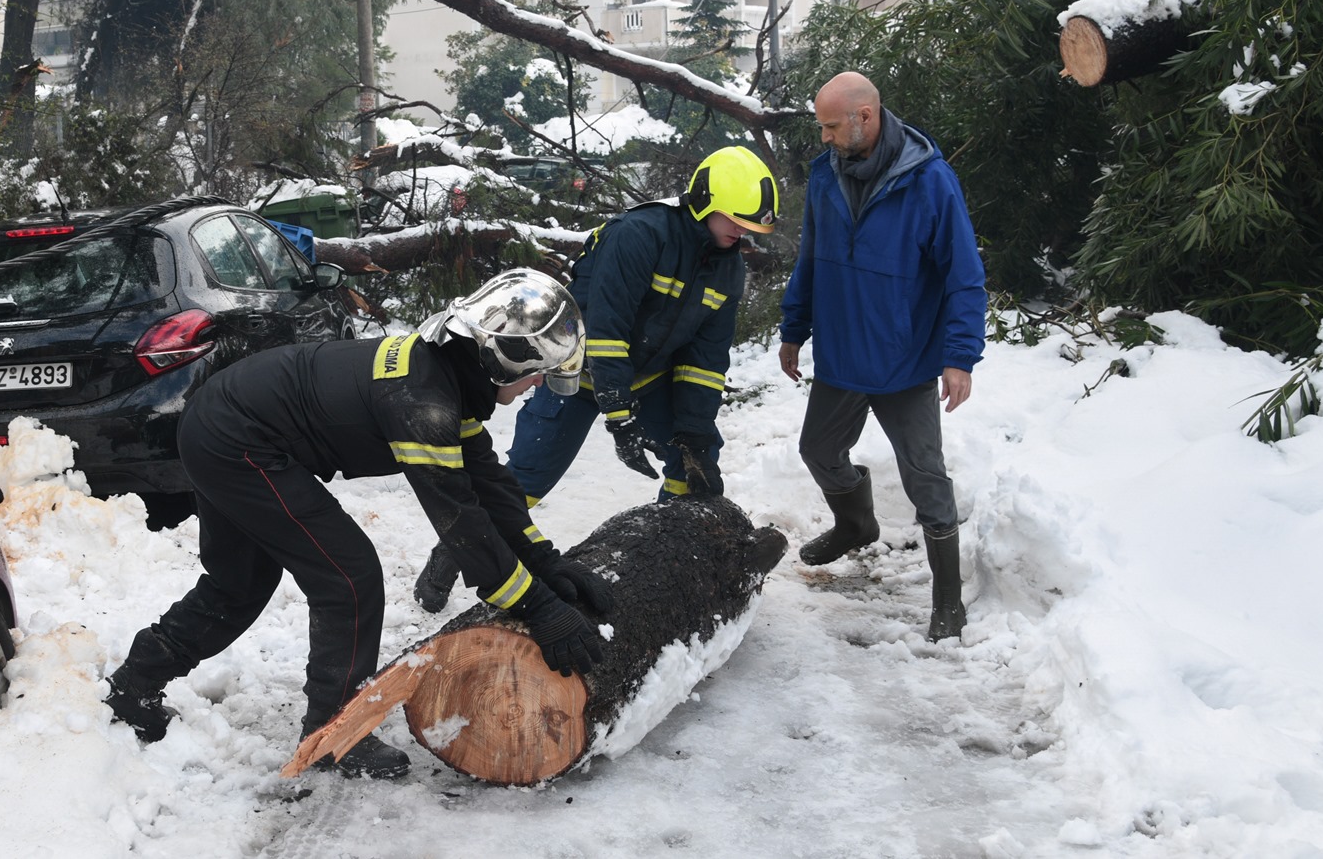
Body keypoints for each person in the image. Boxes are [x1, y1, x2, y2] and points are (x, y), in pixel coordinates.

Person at [102, 268, 616, 779]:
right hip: (238, 439)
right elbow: (461, 522)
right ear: (507, 359)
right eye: (536, 373)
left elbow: (492, 489)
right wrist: (538, 606)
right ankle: (331, 733)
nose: (535, 387)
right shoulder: (424, 401)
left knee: (239, 582)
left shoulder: (445, 375)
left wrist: (547, 563)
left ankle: (136, 681)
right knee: (348, 577)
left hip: (221, 422)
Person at [414, 145, 780, 612]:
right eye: (737, 220)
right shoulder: (638, 236)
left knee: (695, 465)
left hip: (649, 376)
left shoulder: (727, 266)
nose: (744, 233)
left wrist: (693, 429)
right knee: (526, 478)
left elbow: (705, 359)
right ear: (706, 201)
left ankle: (675, 554)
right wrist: (619, 414)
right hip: (578, 370)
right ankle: (452, 555)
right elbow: (607, 332)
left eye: (751, 227)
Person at [777, 71, 987, 642]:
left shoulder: (930, 182)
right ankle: (856, 524)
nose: (821, 138)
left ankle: (948, 601)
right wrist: (794, 327)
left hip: (905, 359)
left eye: (828, 126)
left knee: (925, 477)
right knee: (818, 449)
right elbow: (812, 258)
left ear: (864, 118)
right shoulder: (825, 175)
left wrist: (959, 356)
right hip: (843, 352)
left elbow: (963, 277)